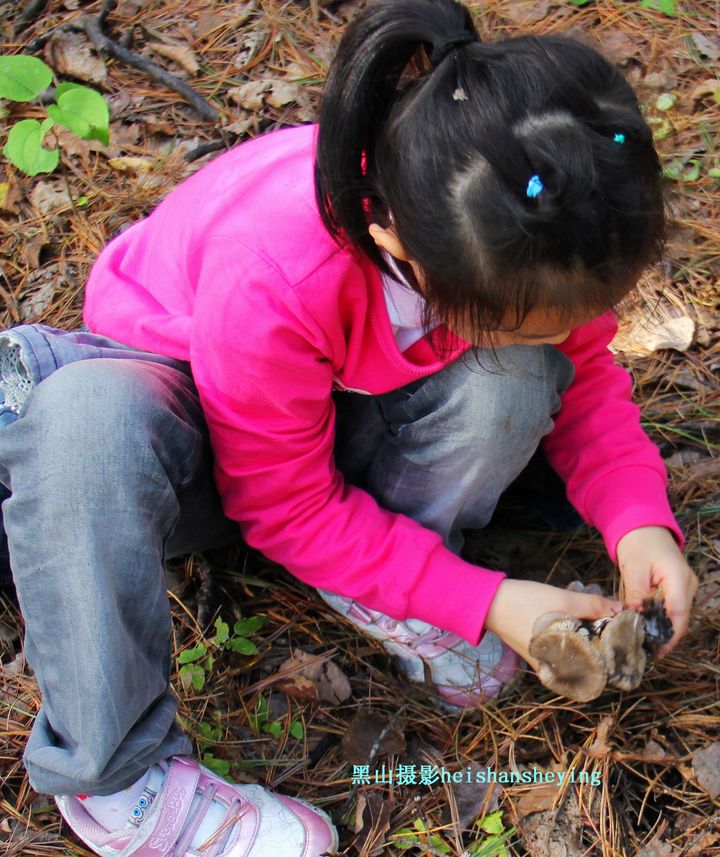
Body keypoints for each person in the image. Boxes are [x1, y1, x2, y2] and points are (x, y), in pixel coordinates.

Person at [0, 0, 699, 853]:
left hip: (318, 418)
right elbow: (278, 502)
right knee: (81, 427)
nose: (567, 336)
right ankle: (120, 783)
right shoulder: (281, 269)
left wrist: (638, 522)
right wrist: (489, 599)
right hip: (187, 422)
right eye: (534, 320)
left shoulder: (525, 237)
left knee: (517, 377)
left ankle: (382, 573)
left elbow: (585, 376)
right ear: (391, 239)